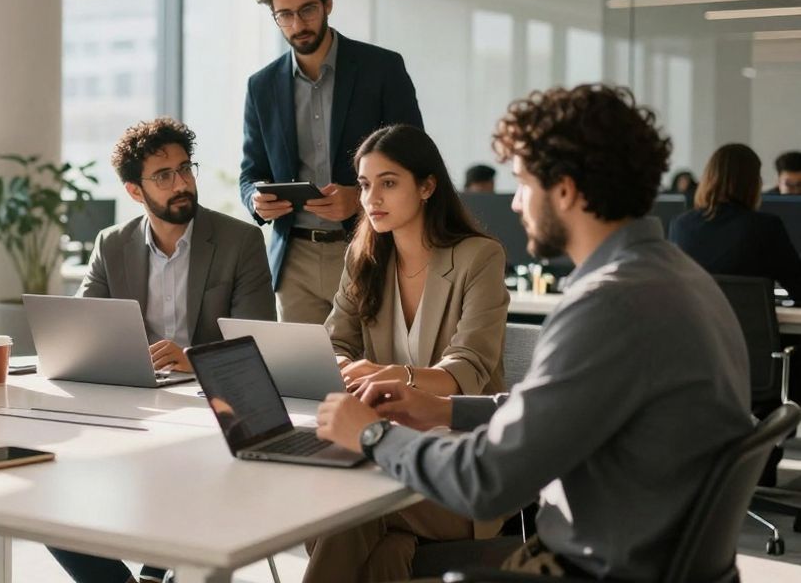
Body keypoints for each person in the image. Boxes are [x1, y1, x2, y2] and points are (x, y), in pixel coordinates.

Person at [315, 85, 752, 580]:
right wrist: (441, 408)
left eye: (523, 183)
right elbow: (554, 409)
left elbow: (487, 479)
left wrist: (372, 436)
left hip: (589, 566)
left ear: (563, 189)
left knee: (346, 510)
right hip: (641, 555)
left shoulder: (608, 305)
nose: (518, 203)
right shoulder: (675, 275)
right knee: (384, 550)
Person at [50, 117, 274, 583]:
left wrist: (192, 357)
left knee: (189, 464)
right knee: (46, 488)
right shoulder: (112, 244)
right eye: (164, 175)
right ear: (135, 191)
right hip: (135, 401)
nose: (181, 183)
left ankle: (157, 569)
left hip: (210, 404)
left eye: (184, 169)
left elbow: (257, 342)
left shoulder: (239, 241)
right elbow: (82, 333)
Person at [303, 125, 508, 583]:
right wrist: (339, 366)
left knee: (346, 511)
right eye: (364, 184)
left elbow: (467, 369)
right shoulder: (364, 259)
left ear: (428, 186)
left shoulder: (479, 258)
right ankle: (395, 560)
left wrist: (391, 373)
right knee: (380, 548)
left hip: (458, 469)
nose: (371, 197)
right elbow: (335, 341)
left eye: (389, 182)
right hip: (380, 452)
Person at [240, 0, 424, 324]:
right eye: (285, 16)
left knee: (369, 371)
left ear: (327, 5)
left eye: (307, 10)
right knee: (301, 376)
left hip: (369, 245)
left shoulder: (382, 68)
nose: (297, 24)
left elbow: (415, 158)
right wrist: (256, 201)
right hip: (295, 259)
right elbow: (250, 171)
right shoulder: (261, 86)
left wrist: (359, 198)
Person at [669, 143, 801, 303]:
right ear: (753, 183)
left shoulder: (680, 226)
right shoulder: (765, 228)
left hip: (698, 326)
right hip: (749, 327)